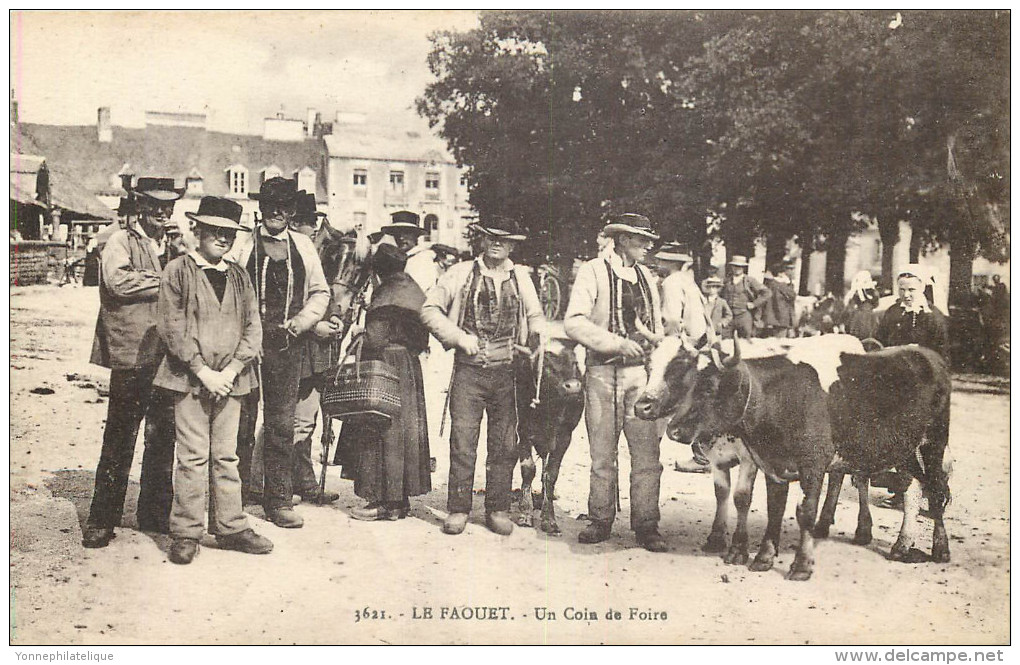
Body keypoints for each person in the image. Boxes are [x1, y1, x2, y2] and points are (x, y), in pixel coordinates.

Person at [153, 196, 272, 564]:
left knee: (226, 454)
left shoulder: (239, 276)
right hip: (188, 378)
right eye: (215, 231)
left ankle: (231, 526)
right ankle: (187, 532)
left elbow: (253, 327)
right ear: (197, 230)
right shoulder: (178, 271)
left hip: (232, 380)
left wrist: (232, 370)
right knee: (191, 457)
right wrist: (203, 371)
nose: (222, 239)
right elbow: (172, 327)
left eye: (229, 233)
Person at [421, 215, 545, 536]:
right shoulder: (460, 273)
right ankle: (459, 508)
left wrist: (535, 339)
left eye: (504, 238)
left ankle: (498, 508)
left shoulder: (521, 278)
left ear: (512, 244)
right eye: (491, 236)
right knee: (463, 441)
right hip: (469, 372)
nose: (497, 243)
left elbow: (535, 315)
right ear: (481, 239)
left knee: (504, 444)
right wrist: (460, 338)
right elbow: (429, 309)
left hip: (508, 375)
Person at [82, 177, 182, 548]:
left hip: (168, 355)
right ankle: (101, 520)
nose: (162, 212)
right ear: (140, 205)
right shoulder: (119, 241)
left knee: (162, 436)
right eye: (155, 205)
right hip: (131, 354)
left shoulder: (175, 244)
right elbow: (119, 283)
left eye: (168, 205)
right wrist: (169, 279)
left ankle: (154, 514)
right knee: (120, 436)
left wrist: (176, 262)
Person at [563, 213, 668, 552]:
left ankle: (647, 523)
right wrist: (616, 342)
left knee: (647, 453)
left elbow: (656, 323)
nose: (647, 246)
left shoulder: (647, 278)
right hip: (603, 374)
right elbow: (574, 323)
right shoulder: (593, 271)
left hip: (640, 375)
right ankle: (601, 519)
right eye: (641, 239)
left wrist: (656, 342)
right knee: (602, 454)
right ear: (622, 239)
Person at [230, 177, 330, 529]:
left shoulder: (303, 246)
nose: (276, 211)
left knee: (280, 427)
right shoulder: (241, 246)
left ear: (291, 212)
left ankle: (278, 501)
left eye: (284, 206)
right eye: (270, 203)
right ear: (260, 207)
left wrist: (303, 321)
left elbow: (320, 293)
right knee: (240, 425)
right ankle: (234, 499)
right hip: (245, 350)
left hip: (286, 349)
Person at [346, 244, 431, 521]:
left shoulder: (384, 295)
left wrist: (359, 332)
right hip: (408, 367)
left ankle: (382, 501)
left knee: (383, 430)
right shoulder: (413, 290)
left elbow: (376, 338)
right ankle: (399, 501)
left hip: (385, 365)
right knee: (405, 432)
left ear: (377, 271)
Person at [873, 264, 950, 509]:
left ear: (923, 288)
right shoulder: (893, 313)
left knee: (930, 445)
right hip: (897, 387)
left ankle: (936, 496)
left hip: (927, 389)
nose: (906, 294)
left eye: (912, 289)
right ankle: (902, 493)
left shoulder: (934, 317)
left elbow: (943, 357)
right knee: (899, 442)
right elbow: (880, 341)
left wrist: (921, 357)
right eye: (902, 289)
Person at [285, 191, 344, 505]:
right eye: (309, 223)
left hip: (316, 355)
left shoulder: (314, 255)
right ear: (295, 224)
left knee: (305, 421)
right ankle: (264, 483)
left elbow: (328, 296)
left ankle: (304, 482)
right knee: (286, 421)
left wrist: (335, 318)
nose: (315, 229)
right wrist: (316, 326)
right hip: (296, 350)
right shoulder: (290, 257)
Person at [653, 243, 715, 474]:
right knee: (697, 400)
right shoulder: (689, 281)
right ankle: (702, 455)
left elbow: (670, 318)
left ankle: (653, 451)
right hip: (700, 344)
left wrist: (664, 342)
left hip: (682, 344)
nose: (658, 263)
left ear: (670, 263)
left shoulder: (670, 283)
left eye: (661, 260)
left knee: (665, 395)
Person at [721, 255, 770, 339]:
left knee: (746, 341)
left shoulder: (750, 281)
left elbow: (767, 293)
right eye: (735, 266)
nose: (737, 268)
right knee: (725, 341)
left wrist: (754, 304)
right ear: (732, 267)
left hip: (744, 315)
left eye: (740, 266)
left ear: (743, 268)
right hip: (728, 316)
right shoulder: (727, 280)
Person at [761, 259, 797, 338]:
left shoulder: (769, 284)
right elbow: (792, 296)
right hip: (781, 319)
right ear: (781, 273)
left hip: (770, 319)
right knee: (780, 343)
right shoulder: (782, 285)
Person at [841, 270, 880, 341]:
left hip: (859, 316)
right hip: (867, 316)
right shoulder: (872, 292)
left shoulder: (856, 292)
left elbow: (849, 307)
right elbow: (876, 304)